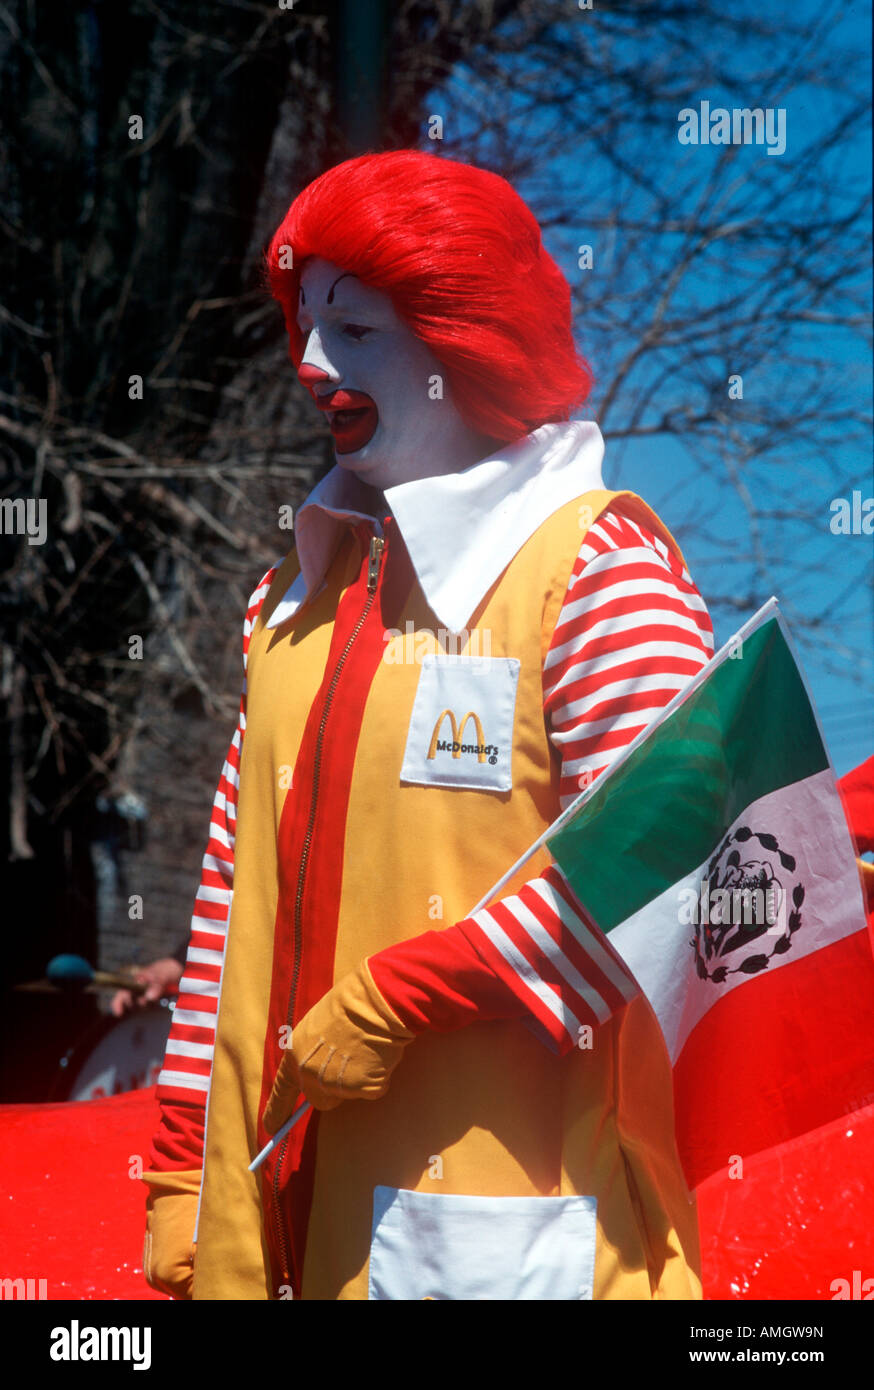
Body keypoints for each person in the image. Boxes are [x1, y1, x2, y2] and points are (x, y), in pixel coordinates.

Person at [142, 150, 714, 1301]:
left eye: (354, 329)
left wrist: (412, 990)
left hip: (516, 1244)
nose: (312, 364)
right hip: (275, 1241)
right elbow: (225, 900)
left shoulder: (595, 570)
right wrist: (175, 1168)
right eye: (305, 326)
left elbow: (680, 862)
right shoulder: (289, 600)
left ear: (465, 331)